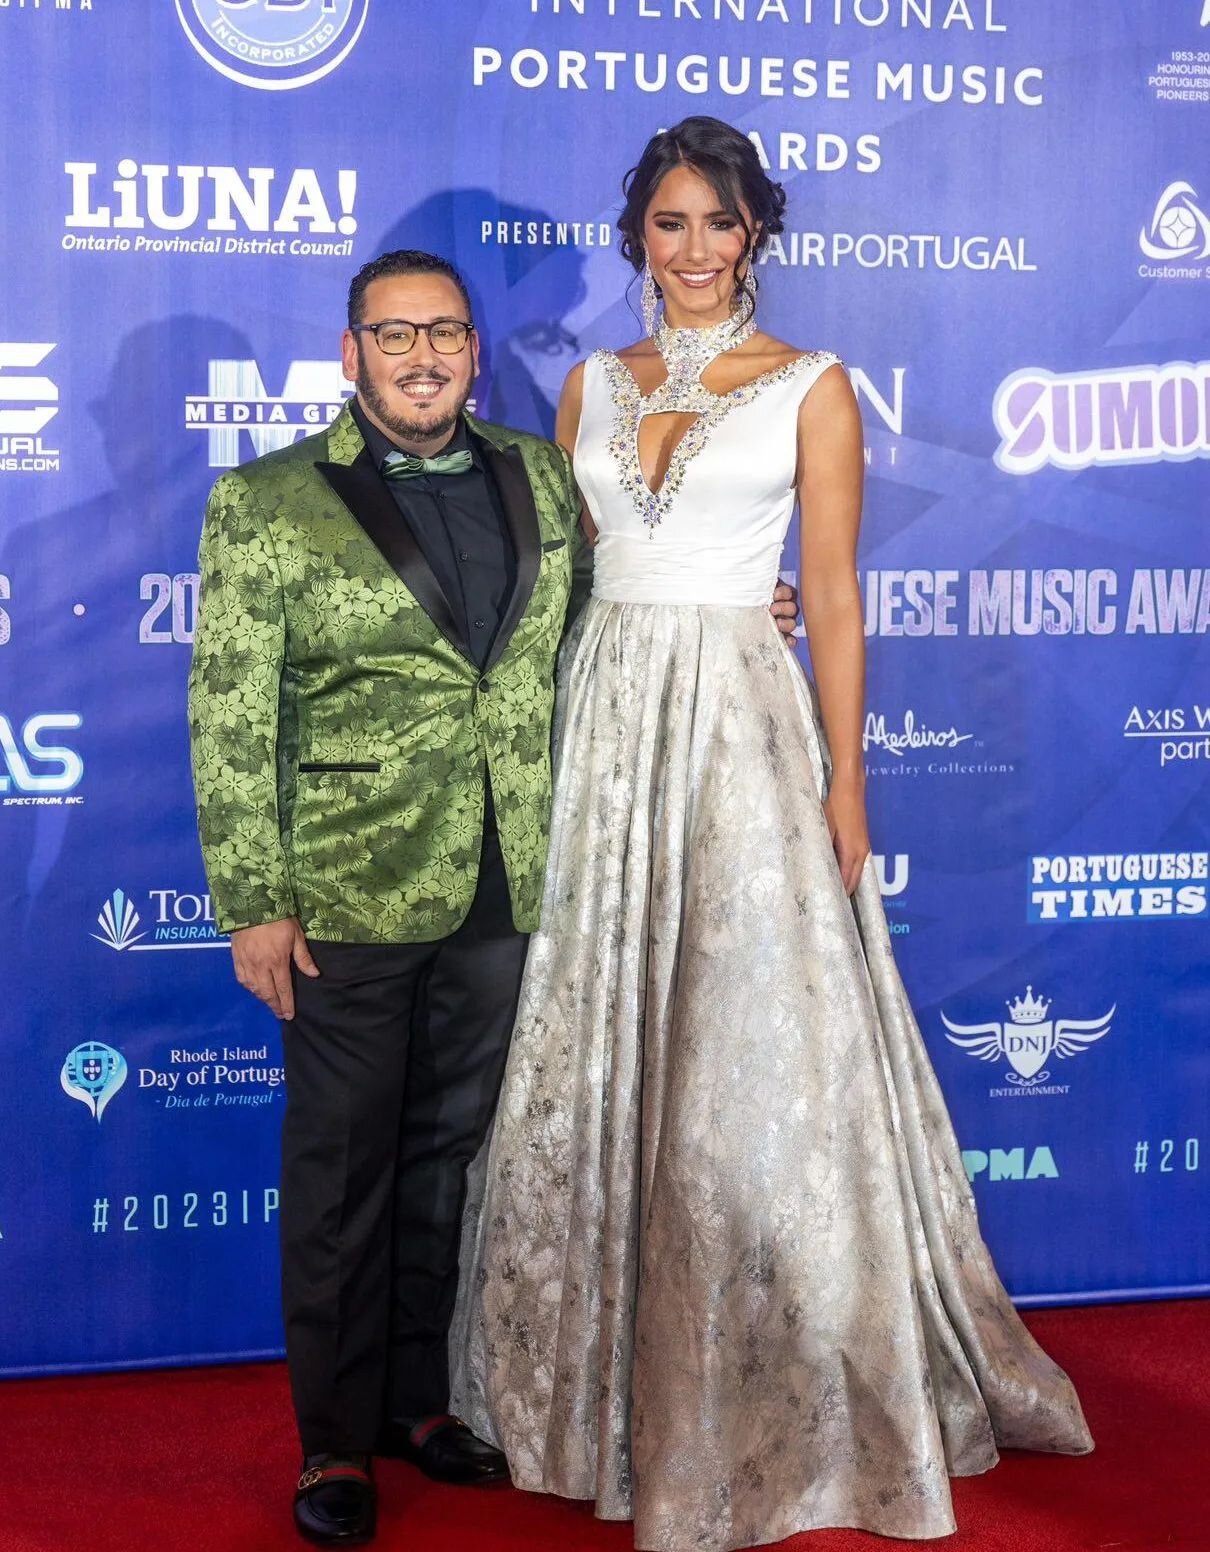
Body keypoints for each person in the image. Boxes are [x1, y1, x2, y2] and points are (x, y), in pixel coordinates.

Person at [452, 117, 1094, 1550]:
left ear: (755, 235)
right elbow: (567, 583)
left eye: (717, 224)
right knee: (600, 1032)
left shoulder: (812, 386)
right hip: (605, 724)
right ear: (639, 237)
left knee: (743, 1044)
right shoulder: (586, 391)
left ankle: (771, 1373)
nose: (692, 251)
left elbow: (835, 596)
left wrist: (846, 783)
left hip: (742, 728)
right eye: (668, 224)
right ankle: (589, 1381)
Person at [187, 248, 801, 1547]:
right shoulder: (267, 500)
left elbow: (606, 621)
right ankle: (333, 1443)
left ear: (473, 351)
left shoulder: (536, 470)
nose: (422, 358)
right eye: (394, 336)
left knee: (453, 1161)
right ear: (350, 353)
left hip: (516, 879)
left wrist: (743, 605)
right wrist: (253, 895)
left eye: (446, 335)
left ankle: (422, 1400)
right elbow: (230, 712)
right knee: (343, 1169)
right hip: (345, 888)